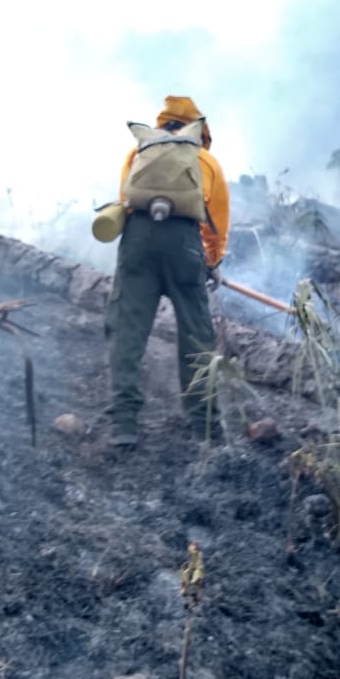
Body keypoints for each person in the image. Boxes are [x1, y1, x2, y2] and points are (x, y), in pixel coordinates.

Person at [104, 96, 231, 449]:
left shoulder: (139, 153)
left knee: (127, 328)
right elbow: (216, 221)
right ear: (198, 130)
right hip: (184, 245)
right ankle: (204, 424)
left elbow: (124, 200)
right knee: (195, 333)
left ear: (162, 124)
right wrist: (212, 261)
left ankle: (123, 423)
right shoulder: (205, 160)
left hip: (138, 241)